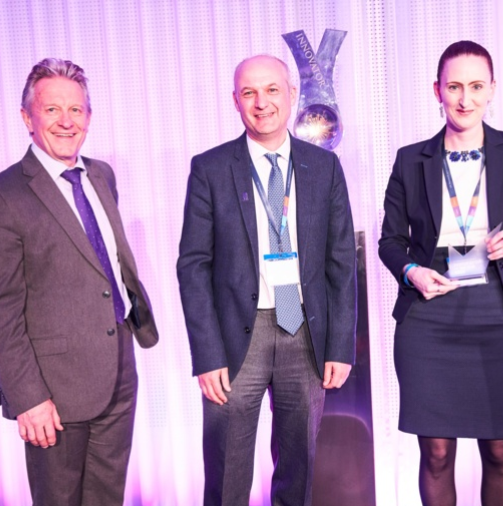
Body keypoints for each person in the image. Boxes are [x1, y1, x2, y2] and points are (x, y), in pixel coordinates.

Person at [0, 58, 158, 505]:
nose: (66, 121)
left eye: (76, 110)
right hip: (53, 391)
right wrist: (28, 397)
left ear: (89, 117)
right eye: (52, 110)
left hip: (117, 370)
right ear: (26, 118)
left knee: (107, 498)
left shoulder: (101, 175)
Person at [177, 54, 356, 506]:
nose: (262, 102)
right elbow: (193, 265)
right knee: (227, 473)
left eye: (272, 90)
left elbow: (340, 262)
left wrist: (339, 346)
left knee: (298, 470)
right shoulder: (210, 168)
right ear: (235, 101)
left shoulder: (324, 167)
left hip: (304, 327)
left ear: (292, 94)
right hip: (240, 336)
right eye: (250, 93)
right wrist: (207, 353)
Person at [378, 41, 503, 506]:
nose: (464, 99)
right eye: (454, 86)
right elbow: (390, 241)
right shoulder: (410, 159)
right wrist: (412, 270)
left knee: (499, 451)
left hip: (500, 312)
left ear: (492, 89)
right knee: (435, 454)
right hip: (429, 314)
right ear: (437, 89)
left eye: (476, 86)